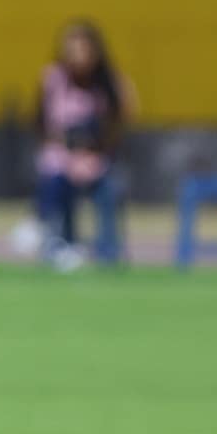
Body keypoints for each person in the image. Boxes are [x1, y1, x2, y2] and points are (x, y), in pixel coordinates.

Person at [34, 20, 134, 267]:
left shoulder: (109, 83)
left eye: (83, 50)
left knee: (109, 187)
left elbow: (117, 125)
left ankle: (108, 250)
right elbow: (41, 124)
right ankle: (61, 244)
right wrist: (68, 155)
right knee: (55, 181)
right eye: (72, 50)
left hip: (97, 158)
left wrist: (93, 155)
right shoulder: (53, 79)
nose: (78, 57)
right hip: (61, 158)